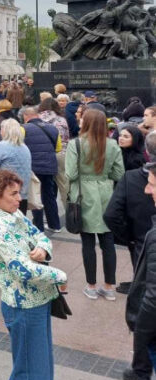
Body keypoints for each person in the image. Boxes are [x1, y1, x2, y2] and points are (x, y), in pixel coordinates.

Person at [0, 170, 67, 380]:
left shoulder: (13, 214)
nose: (19, 198)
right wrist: (60, 276)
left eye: (19, 193)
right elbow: (22, 270)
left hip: (38, 300)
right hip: (23, 306)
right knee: (30, 372)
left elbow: (40, 235)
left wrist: (44, 250)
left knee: (40, 365)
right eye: (13, 194)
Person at [105, 132, 156, 380]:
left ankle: (141, 371)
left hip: (141, 246)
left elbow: (112, 215)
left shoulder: (132, 178)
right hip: (141, 244)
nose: (149, 190)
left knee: (143, 302)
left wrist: (131, 240)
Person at [66, 108, 124, 301]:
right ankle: (109, 287)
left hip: (83, 195)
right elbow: (118, 174)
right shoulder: (113, 144)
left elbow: (71, 174)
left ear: (86, 123)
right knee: (108, 242)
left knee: (88, 242)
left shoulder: (76, 144)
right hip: (106, 194)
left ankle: (91, 285)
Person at [22, 106, 62, 232]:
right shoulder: (53, 128)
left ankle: (38, 227)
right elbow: (58, 148)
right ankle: (55, 225)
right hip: (50, 166)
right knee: (49, 195)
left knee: (35, 195)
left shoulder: (23, 128)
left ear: (25, 116)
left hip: (33, 167)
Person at [0, 119, 33, 212]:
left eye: (1, 129)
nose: (0, 132)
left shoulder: (2, 146)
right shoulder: (24, 147)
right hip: (22, 194)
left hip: (5, 194)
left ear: (5, 131)